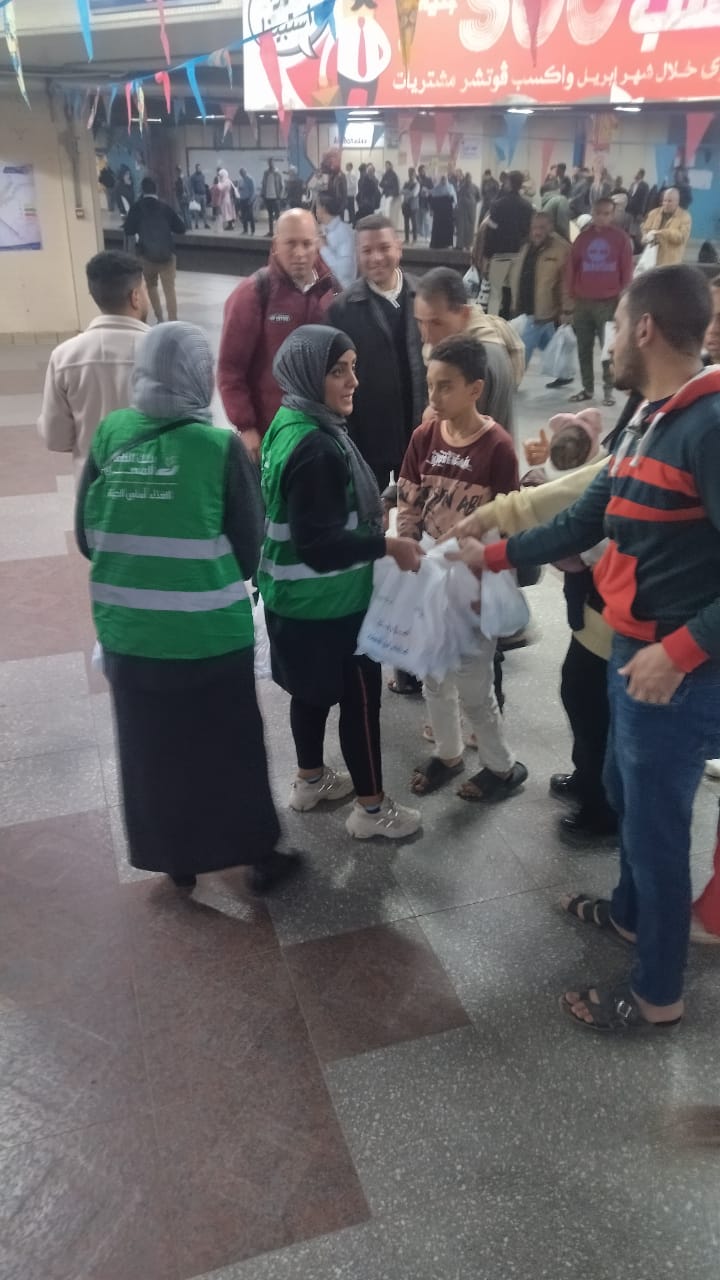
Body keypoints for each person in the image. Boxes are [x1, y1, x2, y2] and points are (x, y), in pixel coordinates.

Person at [448, 265, 720, 1032]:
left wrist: (683, 650)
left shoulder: (708, 425)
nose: (608, 343)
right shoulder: (651, 417)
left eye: (618, 325)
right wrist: (490, 552)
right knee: (625, 795)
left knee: (657, 830)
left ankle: (658, 993)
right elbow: (583, 519)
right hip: (634, 653)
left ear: (644, 327)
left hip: (675, 672)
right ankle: (632, 915)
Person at [75, 322, 302, 894]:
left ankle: (175, 858)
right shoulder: (218, 447)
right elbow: (248, 549)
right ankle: (256, 856)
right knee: (229, 746)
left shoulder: (111, 433)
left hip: (128, 634)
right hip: (208, 637)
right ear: (199, 375)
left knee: (152, 749)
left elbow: (85, 536)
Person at [258, 324, 424, 839]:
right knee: (360, 701)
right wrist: (388, 546)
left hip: (288, 597)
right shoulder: (318, 448)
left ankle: (310, 780)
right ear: (310, 375)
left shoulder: (288, 421)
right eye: (337, 371)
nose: (353, 381)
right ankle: (372, 811)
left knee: (307, 694)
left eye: (353, 367)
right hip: (330, 605)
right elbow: (320, 545)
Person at [397, 335, 527, 802]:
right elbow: (409, 498)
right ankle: (448, 754)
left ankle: (501, 766)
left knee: (474, 683)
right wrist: (409, 549)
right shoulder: (424, 437)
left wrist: (484, 576)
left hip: (474, 581)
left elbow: (507, 522)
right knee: (433, 674)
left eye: (446, 386)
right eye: (431, 384)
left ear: (475, 389)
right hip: (430, 576)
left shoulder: (497, 447)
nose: (434, 396)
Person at [218, 209, 338, 459]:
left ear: (318, 244)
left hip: (322, 433)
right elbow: (230, 369)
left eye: (307, 244)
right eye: (290, 243)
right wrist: (246, 426)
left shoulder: (331, 292)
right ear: (275, 245)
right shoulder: (252, 294)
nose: (299, 253)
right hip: (270, 435)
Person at [328, 213, 426, 489]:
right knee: (370, 507)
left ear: (399, 247)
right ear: (357, 254)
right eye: (367, 251)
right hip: (369, 438)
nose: (376, 258)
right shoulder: (342, 310)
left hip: (420, 432)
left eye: (384, 248)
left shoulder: (425, 295)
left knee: (421, 506)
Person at [38, 251, 150, 483]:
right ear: (136, 296)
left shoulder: (64, 356)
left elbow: (55, 437)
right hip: (155, 486)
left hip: (93, 487)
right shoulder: (166, 351)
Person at [414, 267, 524, 445]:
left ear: (464, 314)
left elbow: (459, 437)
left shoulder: (476, 359)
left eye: (436, 323)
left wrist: (431, 419)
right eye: (420, 322)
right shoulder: (481, 345)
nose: (425, 336)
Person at [566, 196, 633, 406]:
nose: (601, 217)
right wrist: (570, 298)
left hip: (609, 303)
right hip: (583, 302)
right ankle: (587, 388)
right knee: (583, 348)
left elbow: (626, 273)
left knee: (608, 349)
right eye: (597, 213)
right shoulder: (582, 239)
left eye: (606, 213)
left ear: (612, 215)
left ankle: (608, 390)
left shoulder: (621, 239)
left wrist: (623, 302)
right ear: (592, 213)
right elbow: (571, 269)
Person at [509, 211, 572, 375]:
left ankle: (512, 379)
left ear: (550, 227)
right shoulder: (526, 246)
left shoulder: (562, 249)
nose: (537, 232)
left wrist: (567, 310)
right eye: (534, 228)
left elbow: (566, 283)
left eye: (542, 228)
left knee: (522, 349)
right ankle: (563, 373)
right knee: (548, 342)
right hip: (526, 307)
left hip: (542, 309)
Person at [123, 177, 186, 324]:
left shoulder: (137, 208)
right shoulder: (165, 207)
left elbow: (128, 230)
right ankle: (173, 320)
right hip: (167, 256)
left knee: (151, 286)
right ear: (156, 190)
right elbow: (181, 228)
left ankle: (160, 318)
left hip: (146, 256)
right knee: (169, 289)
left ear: (142, 190)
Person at [482, 170, 533, 316]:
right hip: (519, 254)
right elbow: (528, 232)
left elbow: (491, 233)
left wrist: (486, 257)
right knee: (515, 294)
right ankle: (512, 322)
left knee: (495, 292)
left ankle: (493, 322)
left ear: (509, 183)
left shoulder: (498, 205)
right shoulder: (527, 206)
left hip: (500, 254)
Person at [641, 188, 692, 267]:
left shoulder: (685, 217)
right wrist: (645, 237)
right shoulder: (654, 213)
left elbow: (681, 237)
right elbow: (645, 229)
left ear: (677, 202)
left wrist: (662, 233)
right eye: (664, 200)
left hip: (670, 263)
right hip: (651, 260)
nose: (666, 204)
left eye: (670, 201)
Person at [316, 193, 356, 290]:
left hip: (343, 292)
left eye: (317, 207)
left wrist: (323, 248)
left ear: (323, 209)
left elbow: (345, 271)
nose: (315, 211)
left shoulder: (344, 233)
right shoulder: (324, 230)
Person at [429, 175, 456, 250]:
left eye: (445, 179)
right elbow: (433, 199)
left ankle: (447, 243)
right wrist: (432, 210)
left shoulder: (450, 187)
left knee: (447, 228)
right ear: (441, 180)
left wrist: (454, 207)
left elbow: (454, 199)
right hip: (439, 213)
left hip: (447, 213)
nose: (444, 181)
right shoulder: (437, 188)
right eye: (442, 179)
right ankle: (436, 243)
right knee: (437, 228)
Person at [456, 173, 478, 252]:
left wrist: (472, 203)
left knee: (470, 228)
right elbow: (458, 196)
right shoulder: (462, 187)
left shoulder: (475, 187)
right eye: (467, 178)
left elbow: (479, 197)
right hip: (462, 210)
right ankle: (460, 245)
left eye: (469, 178)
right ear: (465, 179)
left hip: (471, 210)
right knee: (461, 227)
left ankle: (468, 245)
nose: (468, 180)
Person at [261, 158, 283, 235]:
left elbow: (281, 185)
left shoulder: (277, 173)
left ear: (274, 163)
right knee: (270, 216)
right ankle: (271, 232)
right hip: (267, 197)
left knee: (277, 216)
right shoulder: (265, 173)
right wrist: (263, 194)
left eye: (272, 162)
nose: (270, 164)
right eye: (269, 162)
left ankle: (280, 232)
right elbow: (263, 184)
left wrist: (279, 195)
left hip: (275, 198)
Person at [401, 168, 420, 244]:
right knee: (406, 223)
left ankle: (415, 239)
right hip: (405, 205)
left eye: (412, 173)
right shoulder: (406, 182)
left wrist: (406, 192)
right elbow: (401, 191)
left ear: (414, 174)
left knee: (414, 223)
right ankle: (406, 239)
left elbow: (414, 194)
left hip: (413, 206)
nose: (410, 175)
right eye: (409, 173)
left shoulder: (417, 184)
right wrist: (408, 192)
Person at [189, 164, 210, 229]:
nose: (199, 169)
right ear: (196, 168)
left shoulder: (202, 175)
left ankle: (205, 224)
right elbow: (191, 187)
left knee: (204, 210)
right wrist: (193, 196)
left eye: (200, 168)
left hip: (203, 195)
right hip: (197, 195)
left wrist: (205, 194)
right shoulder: (193, 177)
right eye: (198, 168)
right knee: (197, 210)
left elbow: (203, 184)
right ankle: (196, 224)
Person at [237, 167, 256, 234]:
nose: (241, 174)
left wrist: (251, 200)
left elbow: (253, 190)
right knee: (243, 214)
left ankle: (252, 230)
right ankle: (245, 230)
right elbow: (239, 189)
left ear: (245, 172)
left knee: (250, 215)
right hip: (242, 199)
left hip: (248, 199)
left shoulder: (250, 179)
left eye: (242, 173)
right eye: (240, 173)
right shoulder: (240, 180)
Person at [417, 164, 434, 239]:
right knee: (418, 221)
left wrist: (427, 192)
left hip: (426, 203)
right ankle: (420, 236)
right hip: (417, 203)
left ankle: (427, 236)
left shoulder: (428, 180)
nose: (423, 172)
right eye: (421, 171)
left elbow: (432, 191)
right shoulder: (416, 179)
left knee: (426, 220)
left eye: (424, 170)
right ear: (419, 171)